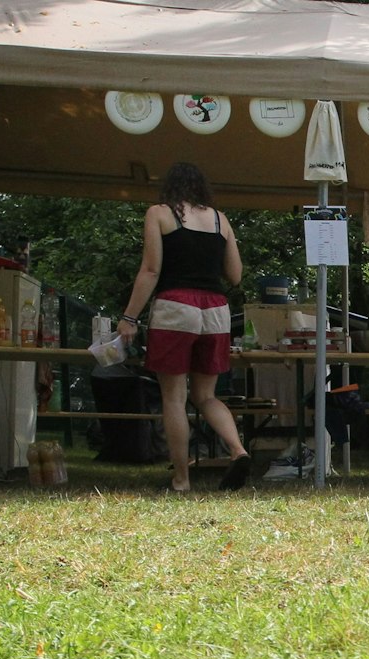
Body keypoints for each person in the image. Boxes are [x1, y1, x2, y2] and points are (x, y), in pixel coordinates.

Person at [117, 161, 251, 493]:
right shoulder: (222, 221)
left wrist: (129, 317)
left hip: (176, 309)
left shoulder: (159, 214)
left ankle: (181, 479)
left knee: (174, 398)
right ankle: (238, 450)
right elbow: (235, 276)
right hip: (217, 311)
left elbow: (150, 270)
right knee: (206, 395)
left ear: (170, 187)